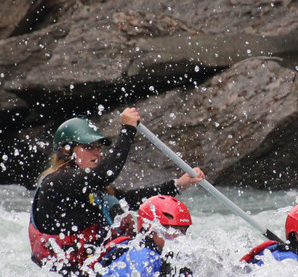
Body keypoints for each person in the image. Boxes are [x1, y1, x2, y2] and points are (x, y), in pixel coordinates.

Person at [28, 108, 205, 267]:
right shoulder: (57, 182)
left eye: (98, 147)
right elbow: (106, 174)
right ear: (66, 151)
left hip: (94, 270)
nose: (97, 152)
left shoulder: (92, 189)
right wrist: (128, 129)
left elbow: (130, 200)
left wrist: (178, 185)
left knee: (153, 242)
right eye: (89, 147)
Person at [90, 195, 214, 277]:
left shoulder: (171, 257)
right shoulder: (141, 260)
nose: (177, 237)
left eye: (182, 231)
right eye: (170, 231)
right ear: (149, 230)